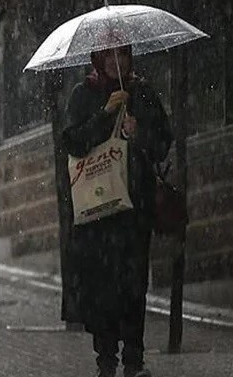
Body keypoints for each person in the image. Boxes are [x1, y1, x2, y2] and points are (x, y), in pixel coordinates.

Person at [62, 45, 172, 377]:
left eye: (121, 54)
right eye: (108, 55)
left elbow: (163, 142)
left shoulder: (141, 92)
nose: (115, 61)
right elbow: (73, 142)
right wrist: (105, 115)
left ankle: (134, 360)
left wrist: (140, 133)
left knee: (134, 284)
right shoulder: (84, 94)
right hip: (98, 212)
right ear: (97, 59)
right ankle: (106, 359)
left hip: (133, 210)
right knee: (102, 288)